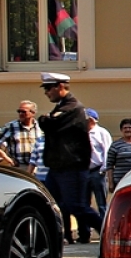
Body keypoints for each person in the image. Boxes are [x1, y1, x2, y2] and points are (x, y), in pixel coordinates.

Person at [36, 72, 100, 244]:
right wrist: (46, 119)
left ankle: (109, 232)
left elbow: (49, 124)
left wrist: (44, 118)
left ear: (60, 86)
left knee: (77, 207)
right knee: (50, 203)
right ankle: (51, 238)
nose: (46, 92)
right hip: (58, 167)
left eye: (49, 88)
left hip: (71, 167)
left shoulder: (72, 107)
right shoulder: (62, 107)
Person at [0, 100, 40, 171]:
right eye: (19, 111)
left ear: (33, 113)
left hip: (38, 167)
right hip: (20, 167)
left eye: (23, 112)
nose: (20, 114)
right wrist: (8, 159)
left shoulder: (40, 127)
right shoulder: (11, 126)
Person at [87, 109, 113, 222]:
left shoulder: (101, 132)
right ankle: (85, 232)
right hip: (84, 171)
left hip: (97, 171)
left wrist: (103, 169)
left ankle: (103, 228)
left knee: (101, 203)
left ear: (91, 120)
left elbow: (107, 150)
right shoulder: (82, 132)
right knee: (84, 203)